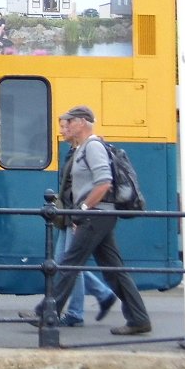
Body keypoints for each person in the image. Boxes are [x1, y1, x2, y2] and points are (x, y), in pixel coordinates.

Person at [21, 105, 151, 335]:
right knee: (113, 270)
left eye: (68, 123)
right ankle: (139, 318)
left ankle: (46, 312)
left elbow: (104, 183)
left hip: (96, 216)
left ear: (81, 122)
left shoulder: (92, 147)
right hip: (98, 216)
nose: (64, 128)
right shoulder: (82, 148)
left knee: (69, 263)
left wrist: (82, 209)